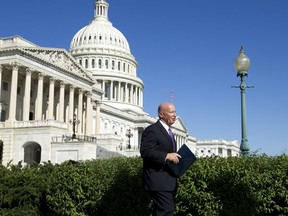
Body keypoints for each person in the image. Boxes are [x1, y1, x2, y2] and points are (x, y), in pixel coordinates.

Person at [140, 102, 181, 216]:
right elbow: (145, 151)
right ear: (161, 114)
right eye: (171, 112)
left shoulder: (169, 131)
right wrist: (167, 156)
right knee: (166, 212)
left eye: (175, 112)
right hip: (158, 181)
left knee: (160, 212)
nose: (175, 115)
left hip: (168, 181)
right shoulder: (152, 130)